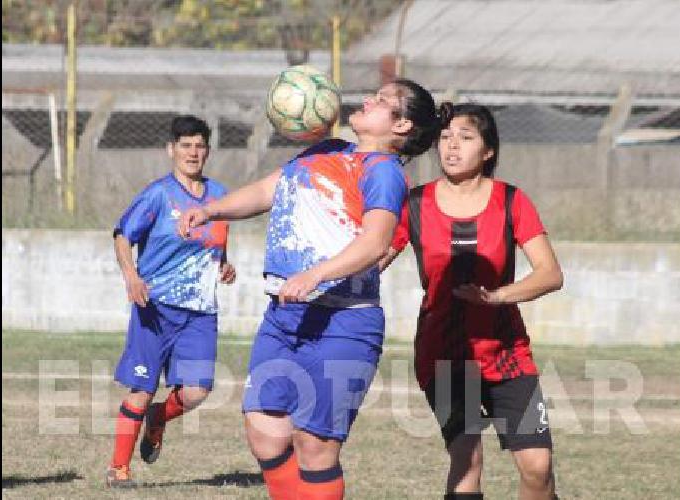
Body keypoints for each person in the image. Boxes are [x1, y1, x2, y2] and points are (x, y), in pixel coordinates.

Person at [177, 79, 444, 499]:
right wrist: (210, 210)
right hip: (286, 316)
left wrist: (315, 275)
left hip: (344, 321)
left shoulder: (384, 173)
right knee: (264, 433)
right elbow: (268, 189)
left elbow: (375, 242)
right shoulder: (327, 150)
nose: (369, 98)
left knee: (315, 446)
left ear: (402, 124)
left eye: (382, 101)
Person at [378, 104, 564, 500]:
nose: (451, 147)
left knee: (538, 467)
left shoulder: (511, 201)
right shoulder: (414, 204)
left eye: (465, 138)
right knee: (467, 457)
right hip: (443, 356)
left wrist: (496, 297)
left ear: (488, 150)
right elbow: (372, 258)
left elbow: (550, 273)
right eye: (445, 138)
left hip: (507, 355)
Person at [105, 115, 237, 488]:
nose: (193, 153)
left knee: (196, 392)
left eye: (199, 146)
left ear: (207, 150)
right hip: (155, 308)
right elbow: (121, 235)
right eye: (185, 145)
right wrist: (131, 275)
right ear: (171, 150)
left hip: (200, 312)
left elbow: (215, 246)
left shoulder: (220, 195)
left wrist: (224, 266)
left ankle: (160, 417)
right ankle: (118, 469)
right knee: (142, 390)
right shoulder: (159, 194)